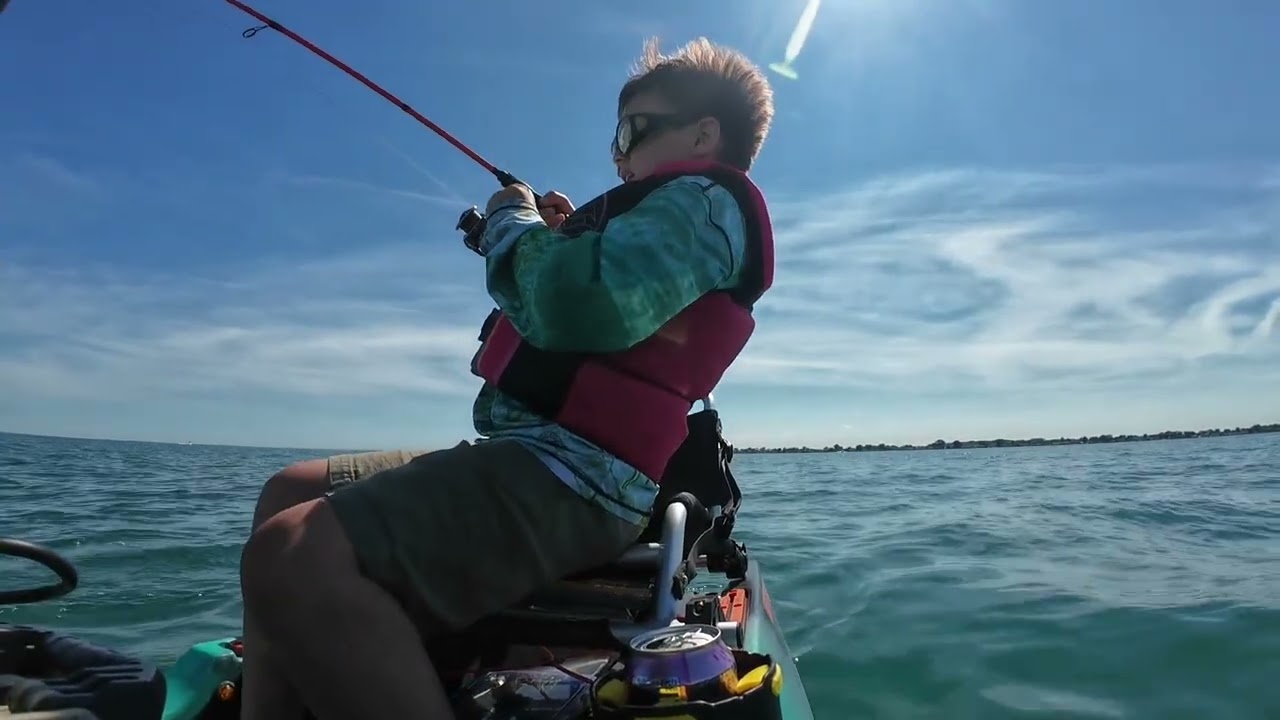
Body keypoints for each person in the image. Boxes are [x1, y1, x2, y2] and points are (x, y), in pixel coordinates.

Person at [237, 36, 776, 720]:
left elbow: (585, 304)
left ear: (704, 134)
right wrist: (558, 237)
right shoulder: (673, 216)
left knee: (289, 557)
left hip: (580, 477)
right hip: (529, 458)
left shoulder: (707, 204)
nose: (617, 152)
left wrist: (512, 222)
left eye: (632, 130)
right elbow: (582, 289)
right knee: (284, 494)